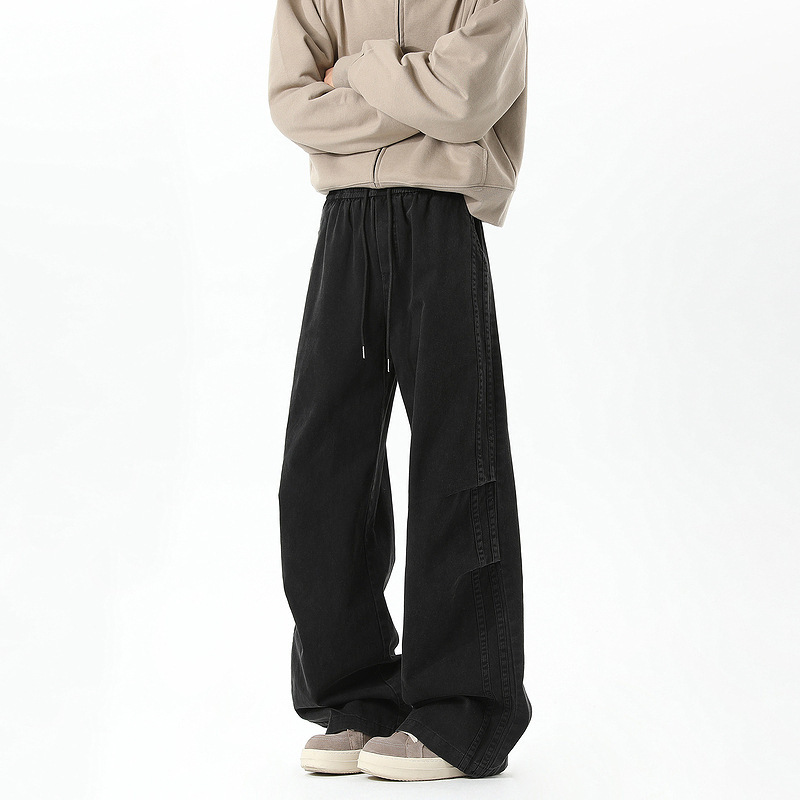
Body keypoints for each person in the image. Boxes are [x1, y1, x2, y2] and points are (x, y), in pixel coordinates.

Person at [267, 0, 532, 781]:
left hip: (443, 219)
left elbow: (468, 100)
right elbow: (291, 102)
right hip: (346, 220)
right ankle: (357, 698)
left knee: (457, 463)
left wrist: (357, 70)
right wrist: (420, 94)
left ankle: (461, 714)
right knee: (321, 471)